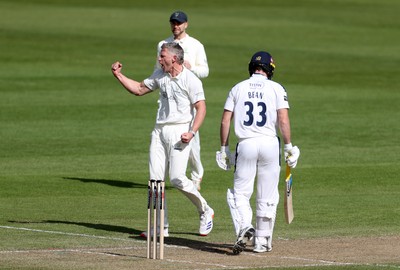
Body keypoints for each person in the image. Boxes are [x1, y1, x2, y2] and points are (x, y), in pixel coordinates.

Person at [111, 42, 214, 237]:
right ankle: (160, 226)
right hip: (159, 131)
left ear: (174, 58)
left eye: (162, 56)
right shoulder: (161, 75)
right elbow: (139, 89)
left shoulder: (191, 80)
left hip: (180, 131)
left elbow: (201, 108)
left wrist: (192, 132)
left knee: (176, 178)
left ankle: (205, 210)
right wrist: (118, 75)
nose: (159, 59)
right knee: (155, 181)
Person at [217, 51, 300, 254]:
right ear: (270, 69)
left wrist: (224, 148)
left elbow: (225, 120)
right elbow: (283, 119)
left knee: (241, 193)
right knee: (267, 194)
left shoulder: (238, 88)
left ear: (251, 67)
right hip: (270, 144)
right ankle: (262, 241)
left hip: (246, 144)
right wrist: (289, 146)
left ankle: (245, 226)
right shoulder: (276, 88)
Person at [155, 11, 209, 191]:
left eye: (179, 23)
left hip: (188, 94)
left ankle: (196, 174)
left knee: (192, 138)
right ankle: (176, 174)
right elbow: (159, 70)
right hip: (170, 95)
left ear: (186, 24)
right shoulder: (163, 44)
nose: (175, 26)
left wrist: (190, 68)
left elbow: (205, 71)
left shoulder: (195, 45)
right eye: (173, 23)